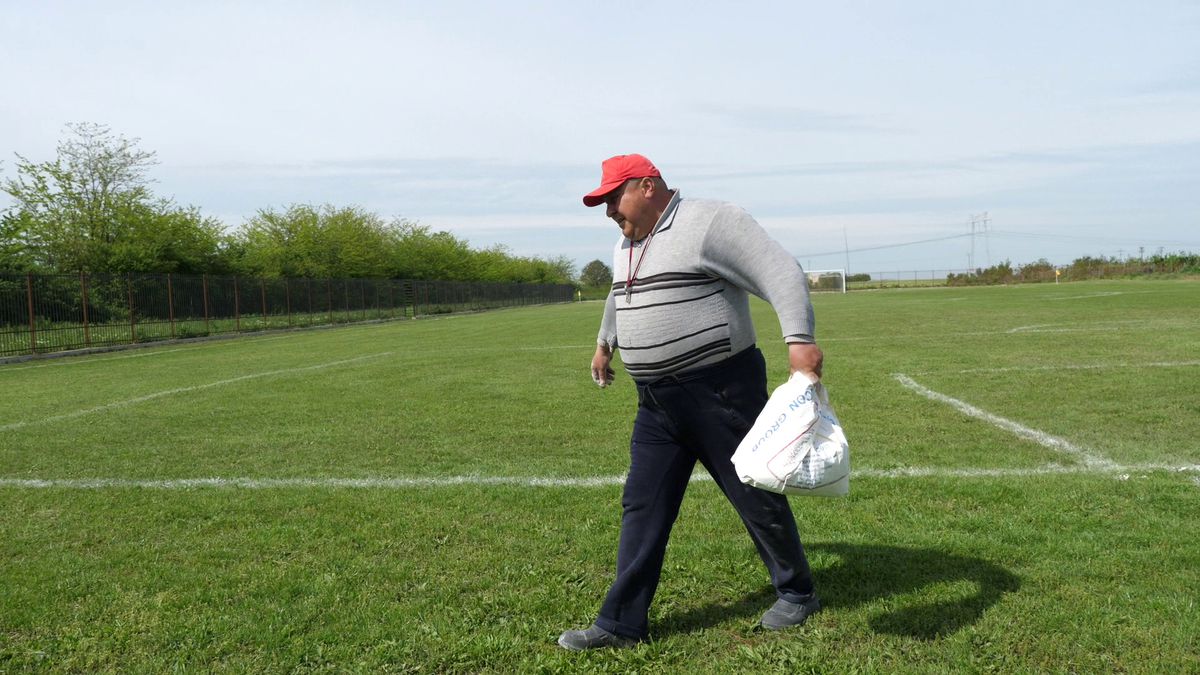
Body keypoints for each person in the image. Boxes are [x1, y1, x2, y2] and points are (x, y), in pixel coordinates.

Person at [558, 154, 825, 651]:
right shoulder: (628, 243)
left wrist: (799, 339)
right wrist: (604, 343)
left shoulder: (711, 222)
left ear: (648, 185)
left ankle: (797, 590)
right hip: (656, 402)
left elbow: (780, 270)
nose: (609, 211)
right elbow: (622, 293)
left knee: (754, 492)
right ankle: (621, 623)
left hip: (720, 389)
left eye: (615, 197)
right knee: (643, 504)